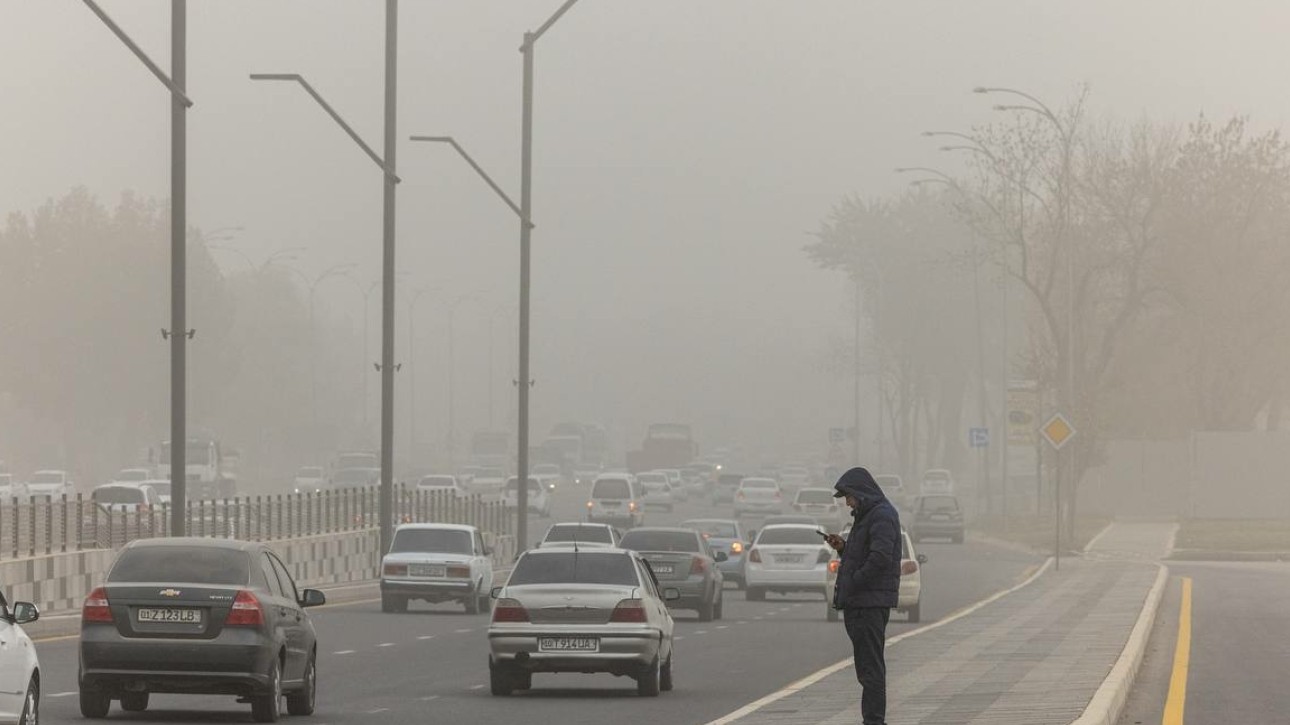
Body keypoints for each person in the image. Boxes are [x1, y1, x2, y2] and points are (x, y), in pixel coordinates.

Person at [823, 467, 901, 725]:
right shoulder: (868, 516)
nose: (847, 502)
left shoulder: (881, 516)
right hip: (862, 603)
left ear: (861, 492)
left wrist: (855, 582)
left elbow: (879, 558)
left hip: (869, 603)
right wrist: (843, 547)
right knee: (867, 669)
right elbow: (863, 554)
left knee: (871, 670)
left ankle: (874, 721)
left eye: (849, 496)